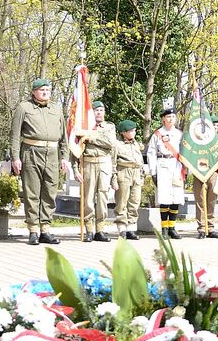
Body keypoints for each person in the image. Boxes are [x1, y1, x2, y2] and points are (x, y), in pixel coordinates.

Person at [10, 78, 67, 246]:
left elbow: (63, 135)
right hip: (31, 152)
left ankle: (45, 229)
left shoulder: (56, 109)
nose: (45, 93)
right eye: (42, 90)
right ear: (34, 91)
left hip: (52, 153)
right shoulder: (24, 108)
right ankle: (33, 230)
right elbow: (14, 135)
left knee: (50, 191)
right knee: (32, 191)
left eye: (48, 90)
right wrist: (15, 157)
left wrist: (64, 156)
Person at [74, 101, 117, 243]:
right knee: (88, 199)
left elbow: (110, 143)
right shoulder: (84, 127)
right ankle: (89, 230)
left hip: (104, 163)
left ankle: (100, 229)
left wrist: (90, 138)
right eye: (96, 110)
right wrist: (75, 168)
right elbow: (75, 148)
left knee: (103, 197)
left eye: (101, 110)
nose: (99, 112)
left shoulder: (110, 127)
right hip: (88, 163)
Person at [147, 108, 185, 239]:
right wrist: (153, 172)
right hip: (162, 165)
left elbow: (185, 152)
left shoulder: (180, 134)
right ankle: (164, 228)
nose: (171, 119)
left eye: (173, 117)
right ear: (163, 119)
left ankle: (172, 227)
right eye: (168, 117)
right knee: (164, 199)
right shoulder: (157, 134)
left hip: (176, 166)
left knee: (176, 198)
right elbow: (151, 153)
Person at [192, 114, 218, 239]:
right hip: (200, 171)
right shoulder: (199, 138)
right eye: (213, 125)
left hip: (214, 172)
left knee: (212, 200)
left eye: (217, 125)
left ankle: (210, 227)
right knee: (200, 200)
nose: (216, 128)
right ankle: (201, 228)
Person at [113, 120, 144, 240]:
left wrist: (141, 175)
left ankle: (132, 228)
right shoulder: (117, 145)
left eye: (134, 130)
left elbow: (140, 160)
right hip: (123, 171)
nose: (133, 133)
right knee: (122, 201)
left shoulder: (136, 144)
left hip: (136, 172)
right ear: (123, 133)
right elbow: (113, 162)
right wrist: (114, 179)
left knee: (134, 201)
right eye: (131, 131)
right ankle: (122, 228)